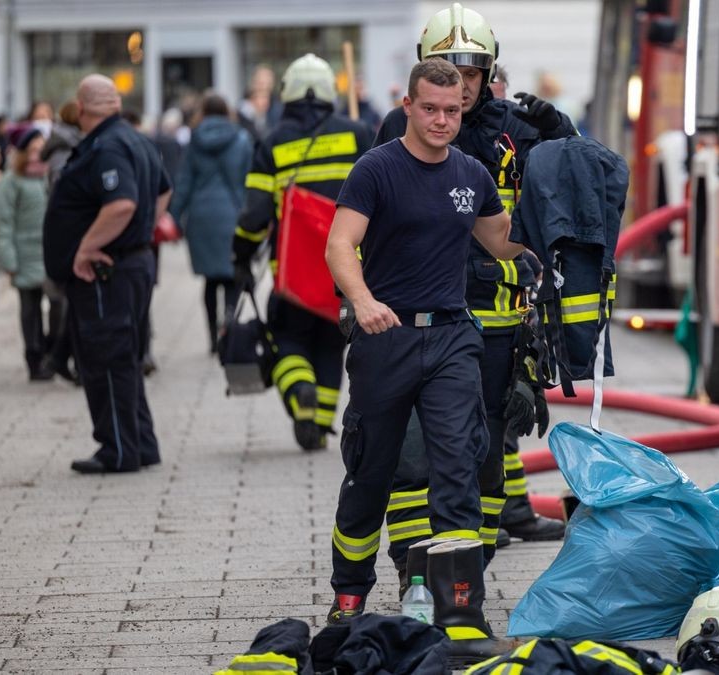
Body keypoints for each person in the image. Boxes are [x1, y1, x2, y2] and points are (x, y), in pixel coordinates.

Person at [325, 58, 525, 663]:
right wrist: (363, 302)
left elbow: (501, 240)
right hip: (385, 338)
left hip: (451, 337)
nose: (442, 120)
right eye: (431, 109)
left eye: (453, 110)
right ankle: (349, 599)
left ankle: (459, 609)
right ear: (408, 106)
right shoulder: (376, 169)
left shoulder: (470, 173)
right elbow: (340, 244)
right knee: (371, 472)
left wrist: (557, 212)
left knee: (459, 466)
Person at [371, 2, 574, 579]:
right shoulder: (399, 127)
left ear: (488, 73)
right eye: (447, 71)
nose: (459, 87)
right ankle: (414, 568)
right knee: (413, 451)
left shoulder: (517, 131)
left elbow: (576, 197)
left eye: (471, 72)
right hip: (418, 313)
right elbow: (368, 218)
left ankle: (470, 565)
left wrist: (565, 137)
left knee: (486, 445)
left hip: (498, 314)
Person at [233, 53, 373, 451]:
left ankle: (301, 397)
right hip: (346, 270)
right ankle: (320, 421)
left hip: (292, 272)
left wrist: (241, 254)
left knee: (287, 337)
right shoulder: (358, 133)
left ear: (287, 94)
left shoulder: (273, 141)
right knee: (332, 341)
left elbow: (255, 214)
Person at [42, 74, 172, 474]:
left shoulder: (108, 146)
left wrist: (86, 247)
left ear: (81, 109)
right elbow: (163, 192)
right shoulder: (135, 139)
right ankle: (140, 444)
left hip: (105, 271)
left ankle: (117, 449)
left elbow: (121, 204)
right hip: (130, 264)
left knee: (106, 359)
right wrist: (139, 233)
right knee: (126, 358)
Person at [169, 93, 252, 353]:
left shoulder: (195, 140)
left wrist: (173, 216)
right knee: (232, 276)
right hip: (232, 214)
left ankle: (212, 337)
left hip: (201, 217)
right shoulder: (241, 139)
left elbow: (184, 183)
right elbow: (249, 180)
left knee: (210, 279)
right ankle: (229, 323)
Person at [0, 125, 60, 381]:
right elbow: (4, 222)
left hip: (49, 252)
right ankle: (34, 357)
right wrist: (7, 257)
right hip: (24, 252)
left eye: (39, 150)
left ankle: (52, 348)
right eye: (31, 150)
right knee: (30, 308)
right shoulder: (12, 180)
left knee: (57, 303)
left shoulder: (49, 176)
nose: (35, 156)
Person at [39, 101, 83, 384]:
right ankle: (60, 357)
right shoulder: (64, 153)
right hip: (69, 237)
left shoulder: (70, 148)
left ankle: (60, 357)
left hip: (71, 235)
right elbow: (62, 199)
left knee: (75, 303)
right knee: (72, 303)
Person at [339, 76, 383, 141]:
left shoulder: (372, 112)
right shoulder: (343, 113)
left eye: (360, 88)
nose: (358, 92)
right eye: (356, 89)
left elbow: (379, 132)